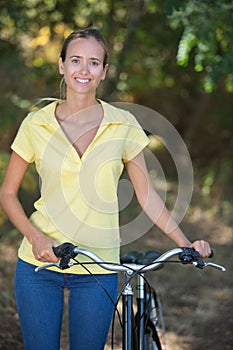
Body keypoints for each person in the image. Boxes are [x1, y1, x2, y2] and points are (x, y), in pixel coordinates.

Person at [0, 28, 211, 350]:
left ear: (104, 71)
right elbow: (8, 193)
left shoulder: (123, 123)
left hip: (99, 265)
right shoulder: (36, 124)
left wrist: (185, 243)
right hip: (39, 265)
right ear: (61, 65)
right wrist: (35, 236)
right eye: (75, 60)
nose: (84, 70)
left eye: (93, 63)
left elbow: (146, 195)